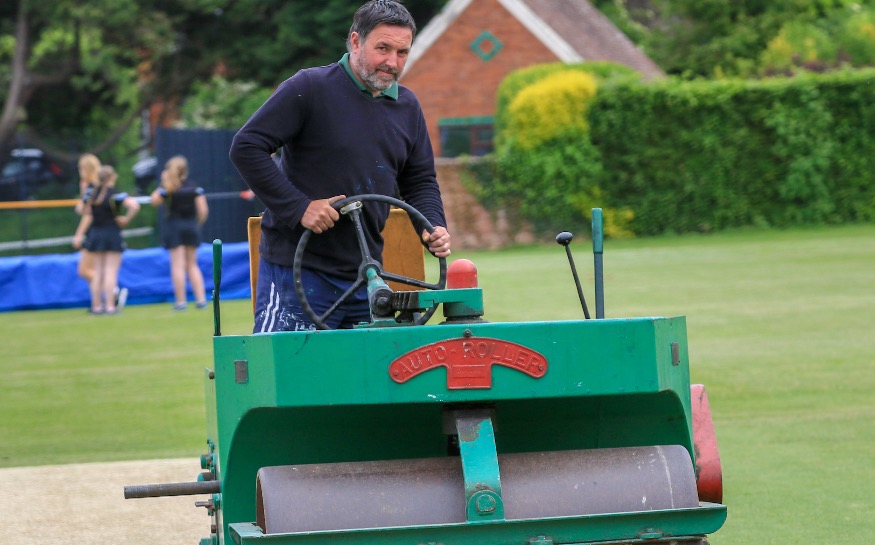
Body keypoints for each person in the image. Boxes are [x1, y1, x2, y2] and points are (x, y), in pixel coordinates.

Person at [230, 0, 451, 333]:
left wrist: (431, 225)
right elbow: (246, 147)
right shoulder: (309, 87)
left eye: (402, 52)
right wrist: (299, 207)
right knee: (289, 366)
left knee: (370, 368)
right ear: (355, 42)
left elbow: (419, 180)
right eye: (383, 48)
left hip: (368, 275)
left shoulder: (408, 106)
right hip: (298, 272)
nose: (392, 62)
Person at [72, 165, 140, 314]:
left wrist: (89, 209)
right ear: (112, 177)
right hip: (112, 233)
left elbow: (80, 209)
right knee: (110, 272)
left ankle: (96, 306)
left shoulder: (92, 193)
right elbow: (134, 206)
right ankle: (110, 306)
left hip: (96, 234)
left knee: (98, 272)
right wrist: (125, 219)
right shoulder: (115, 194)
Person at [150, 155, 209, 310]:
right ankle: (201, 300)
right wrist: (197, 224)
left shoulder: (168, 189)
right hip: (190, 226)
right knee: (192, 264)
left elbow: (154, 200)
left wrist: (163, 182)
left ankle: (181, 302)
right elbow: (203, 210)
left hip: (173, 227)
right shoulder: (195, 188)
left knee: (177, 265)